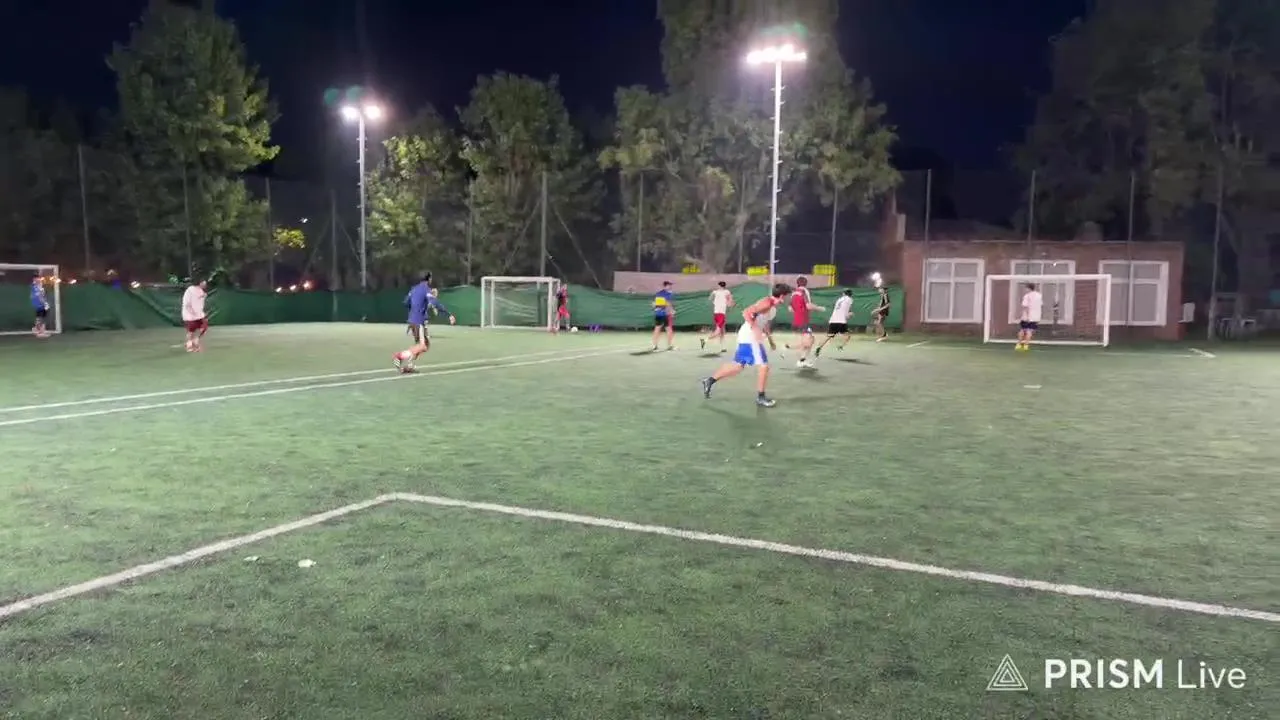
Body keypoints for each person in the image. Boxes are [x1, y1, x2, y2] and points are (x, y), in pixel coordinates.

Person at [700, 283, 791, 408]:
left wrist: (770, 340)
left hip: (747, 336)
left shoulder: (772, 308)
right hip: (750, 336)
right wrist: (754, 328)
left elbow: (764, 323)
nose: (788, 298)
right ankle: (761, 398)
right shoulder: (767, 302)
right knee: (763, 366)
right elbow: (746, 312)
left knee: (738, 366)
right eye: (788, 296)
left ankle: (709, 380)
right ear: (782, 296)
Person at [394, 271, 456, 372]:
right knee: (422, 346)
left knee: (422, 345)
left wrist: (414, 309)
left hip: (412, 321)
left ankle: (409, 366)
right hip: (419, 321)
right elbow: (435, 302)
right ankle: (400, 356)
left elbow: (406, 302)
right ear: (429, 279)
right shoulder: (426, 289)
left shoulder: (413, 289)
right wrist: (448, 314)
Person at [784, 276, 826, 368]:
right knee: (808, 342)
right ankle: (792, 350)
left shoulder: (793, 293)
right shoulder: (804, 291)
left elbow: (790, 309)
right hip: (803, 321)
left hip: (796, 321)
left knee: (809, 340)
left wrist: (799, 311)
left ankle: (801, 358)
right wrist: (819, 308)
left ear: (797, 284)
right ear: (806, 284)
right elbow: (808, 306)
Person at [814, 288, 854, 358]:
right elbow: (848, 312)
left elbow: (841, 309)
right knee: (848, 336)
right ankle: (841, 346)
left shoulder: (839, 299)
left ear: (844, 293)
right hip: (841, 322)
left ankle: (819, 348)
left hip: (833, 320)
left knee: (828, 336)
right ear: (850, 294)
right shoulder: (850, 299)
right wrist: (850, 314)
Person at [700, 281, 734, 353]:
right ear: (724, 286)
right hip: (721, 314)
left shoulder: (715, 292)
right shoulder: (727, 292)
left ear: (719, 286)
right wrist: (729, 303)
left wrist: (715, 302)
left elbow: (710, 298)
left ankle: (723, 347)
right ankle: (704, 340)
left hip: (716, 314)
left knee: (722, 331)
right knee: (718, 332)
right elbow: (730, 303)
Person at [181, 279, 209, 352]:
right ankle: (189, 345)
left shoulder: (201, 291)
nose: (205, 285)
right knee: (191, 331)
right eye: (203, 283)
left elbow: (199, 303)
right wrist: (192, 311)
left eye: (205, 283)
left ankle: (196, 340)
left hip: (198, 315)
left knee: (204, 326)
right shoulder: (190, 290)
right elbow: (187, 303)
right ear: (199, 283)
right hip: (189, 315)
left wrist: (201, 312)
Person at [650, 280, 676, 351]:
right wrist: (671, 311)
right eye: (669, 285)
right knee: (658, 329)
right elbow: (666, 304)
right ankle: (655, 346)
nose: (670, 286)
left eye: (670, 285)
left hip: (662, 314)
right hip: (661, 314)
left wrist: (670, 310)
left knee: (668, 330)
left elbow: (654, 304)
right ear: (665, 286)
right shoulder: (666, 294)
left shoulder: (660, 293)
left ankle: (668, 346)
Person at [1016, 283, 1042, 352]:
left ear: (1028, 288)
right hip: (1035, 317)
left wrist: (1027, 316)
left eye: (1026, 288)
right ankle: (1026, 345)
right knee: (1030, 331)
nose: (1025, 289)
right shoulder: (1039, 295)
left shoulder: (1026, 296)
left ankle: (1019, 344)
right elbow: (1040, 306)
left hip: (1027, 317)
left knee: (1022, 330)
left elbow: (1025, 306)